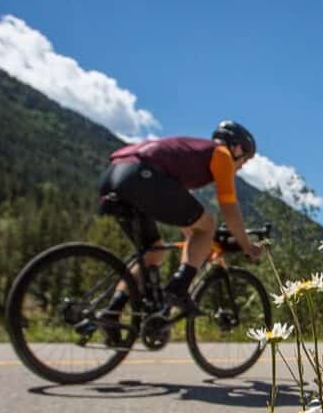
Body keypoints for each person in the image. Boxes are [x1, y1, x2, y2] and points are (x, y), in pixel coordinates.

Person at [97, 120, 264, 317]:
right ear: (236, 148)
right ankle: (177, 289)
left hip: (115, 174)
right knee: (208, 225)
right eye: (245, 160)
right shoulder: (222, 154)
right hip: (141, 175)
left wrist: (199, 243)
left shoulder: (190, 156)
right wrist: (247, 245)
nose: (242, 167)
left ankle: (111, 313)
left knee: (153, 252)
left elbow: (184, 218)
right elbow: (229, 209)